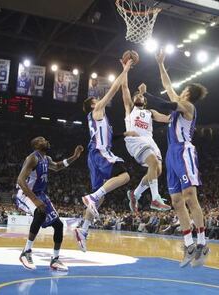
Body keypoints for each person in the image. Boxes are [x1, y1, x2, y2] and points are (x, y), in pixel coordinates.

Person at [148, 49, 208, 267]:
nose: (179, 91)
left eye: (183, 90)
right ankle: (188, 243)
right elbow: (166, 94)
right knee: (175, 201)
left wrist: (148, 98)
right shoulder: (177, 111)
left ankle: (202, 243)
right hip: (171, 153)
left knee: (190, 195)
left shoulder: (188, 106)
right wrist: (161, 64)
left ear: (188, 94)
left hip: (184, 151)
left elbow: (166, 103)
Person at [74, 59, 135, 252]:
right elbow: (114, 89)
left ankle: (83, 231)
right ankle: (92, 198)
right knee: (125, 175)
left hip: (97, 154)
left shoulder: (101, 120)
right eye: (95, 100)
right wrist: (125, 69)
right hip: (100, 153)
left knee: (100, 197)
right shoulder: (98, 111)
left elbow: (108, 138)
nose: (97, 100)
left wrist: (124, 134)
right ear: (93, 105)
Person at [15, 136, 83, 271]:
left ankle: (55, 260)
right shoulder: (32, 158)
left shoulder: (46, 158)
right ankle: (26, 252)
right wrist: (35, 200)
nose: (46, 141)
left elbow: (57, 167)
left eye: (45, 139)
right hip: (25, 193)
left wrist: (74, 156)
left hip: (40, 194)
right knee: (39, 213)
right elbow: (21, 181)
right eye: (42, 140)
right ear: (36, 145)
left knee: (58, 224)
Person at [120, 65, 171, 212]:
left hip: (150, 141)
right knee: (153, 162)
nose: (138, 96)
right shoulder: (130, 109)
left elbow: (166, 118)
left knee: (157, 171)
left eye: (140, 96)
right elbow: (124, 88)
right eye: (136, 95)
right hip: (135, 139)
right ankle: (155, 199)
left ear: (145, 100)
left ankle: (135, 194)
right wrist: (126, 69)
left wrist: (180, 111)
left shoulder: (150, 112)